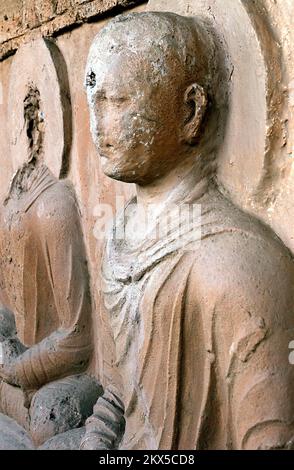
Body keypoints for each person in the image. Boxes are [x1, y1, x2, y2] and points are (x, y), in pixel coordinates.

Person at [80, 11, 294, 450]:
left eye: (118, 101)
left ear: (190, 111)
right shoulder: (120, 236)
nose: (98, 125)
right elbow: (118, 396)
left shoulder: (237, 266)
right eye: (93, 100)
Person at [0, 83, 102, 447]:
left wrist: (17, 368)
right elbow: (5, 309)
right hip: (15, 359)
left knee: (47, 418)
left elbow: (77, 337)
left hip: (64, 374)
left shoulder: (54, 206)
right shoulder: (10, 202)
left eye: (32, 119)